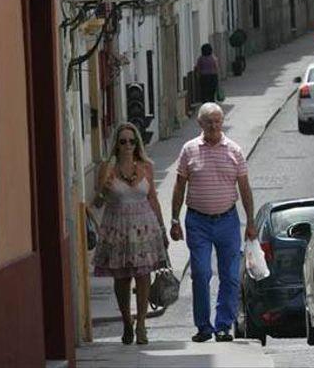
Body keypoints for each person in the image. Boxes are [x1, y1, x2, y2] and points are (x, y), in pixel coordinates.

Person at [170, 102, 257, 342]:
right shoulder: (189, 150)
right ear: (200, 123)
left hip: (227, 220)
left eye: (218, 121)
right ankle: (203, 327)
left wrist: (250, 221)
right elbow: (179, 186)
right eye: (209, 121)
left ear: (222, 123)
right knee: (201, 272)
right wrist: (174, 219)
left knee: (229, 275)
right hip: (197, 221)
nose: (214, 125)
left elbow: (245, 188)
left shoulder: (234, 150)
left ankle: (223, 325)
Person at [91, 123, 169, 345]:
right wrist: (102, 190)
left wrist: (163, 229)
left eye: (131, 141)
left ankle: (142, 324)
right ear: (116, 143)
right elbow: (97, 203)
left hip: (144, 228)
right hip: (118, 228)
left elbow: (152, 198)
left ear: (137, 144)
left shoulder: (146, 166)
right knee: (122, 278)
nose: (127, 145)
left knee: (144, 276)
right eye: (123, 141)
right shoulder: (108, 168)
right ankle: (127, 322)